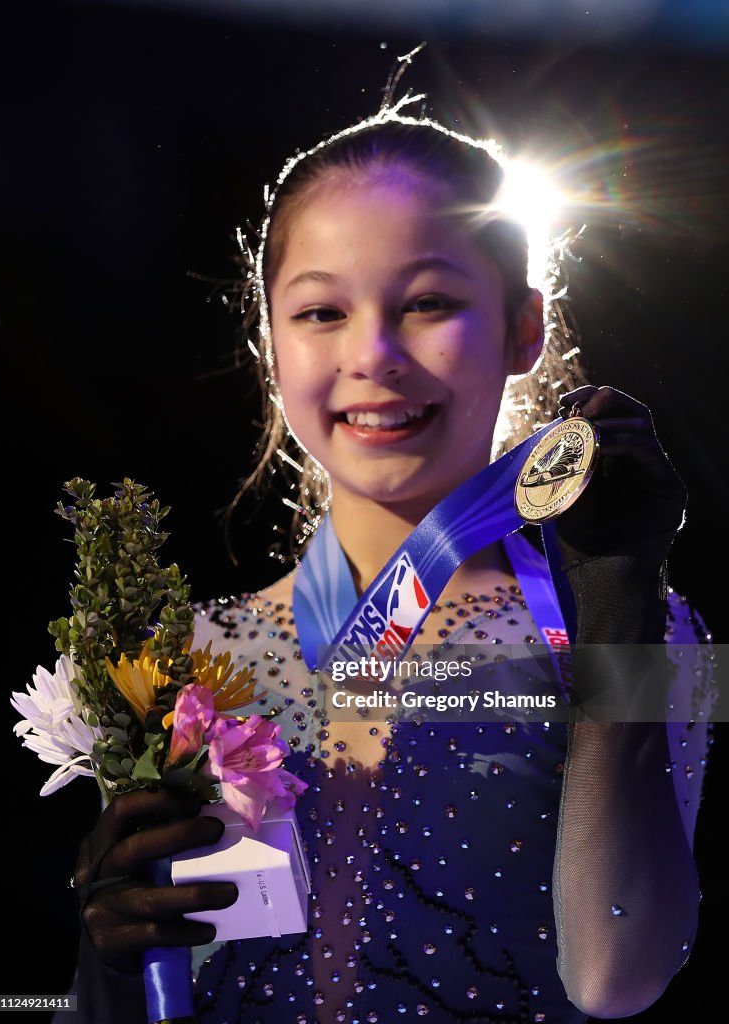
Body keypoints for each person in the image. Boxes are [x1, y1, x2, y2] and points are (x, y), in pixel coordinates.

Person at [58, 98, 714, 1024]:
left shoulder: (623, 630)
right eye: (322, 311)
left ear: (523, 329)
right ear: (272, 342)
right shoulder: (191, 660)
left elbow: (619, 977)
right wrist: (108, 971)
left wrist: (620, 631)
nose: (373, 355)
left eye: (430, 303)